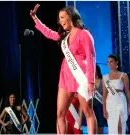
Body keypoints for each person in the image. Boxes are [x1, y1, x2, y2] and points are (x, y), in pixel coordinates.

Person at [30, 4, 97, 134]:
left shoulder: (84, 34)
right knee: (60, 113)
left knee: (88, 112)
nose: (60, 21)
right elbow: (48, 33)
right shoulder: (64, 36)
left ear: (71, 17)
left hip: (81, 77)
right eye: (59, 18)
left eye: (62, 17)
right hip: (66, 77)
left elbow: (91, 57)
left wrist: (90, 81)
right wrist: (35, 19)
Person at [102, 54, 130, 134]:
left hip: (120, 100)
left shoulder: (123, 75)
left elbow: (127, 92)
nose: (109, 64)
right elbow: (104, 95)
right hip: (110, 102)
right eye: (108, 62)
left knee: (120, 124)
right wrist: (104, 109)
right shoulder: (105, 77)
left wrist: (129, 106)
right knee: (112, 126)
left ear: (116, 63)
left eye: (111, 62)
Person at [82, 64, 107, 134]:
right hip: (91, 107)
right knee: (92, 129)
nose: (93, 71)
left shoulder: (103, 80)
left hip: (101, 107)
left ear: (97, 70)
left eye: (94, 69)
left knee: (100, 129)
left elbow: (105, 95)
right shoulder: (87, 82)